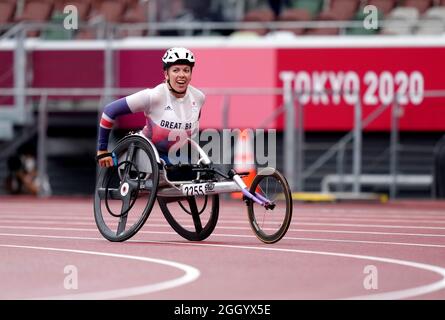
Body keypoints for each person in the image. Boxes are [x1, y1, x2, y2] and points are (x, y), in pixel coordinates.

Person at [96, 47, 204, 178]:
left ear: (191, 74)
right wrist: (102, 149)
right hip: (149, 154)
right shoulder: (153, 96)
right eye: (176, 70)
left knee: (203, 171)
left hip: (178, 155)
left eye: (186, 70)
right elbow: (109, 111)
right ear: (166, 74)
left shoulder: (199, 97)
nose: (182, 75)